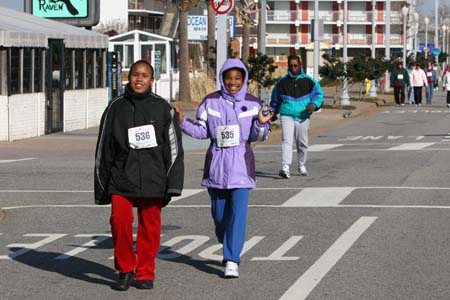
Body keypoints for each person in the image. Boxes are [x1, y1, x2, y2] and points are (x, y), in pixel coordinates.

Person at [175, 58, 271, 278]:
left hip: (241, 169)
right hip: (216, 168)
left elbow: (259, 136)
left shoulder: (253, 103)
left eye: (237, 78)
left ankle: (231, 259)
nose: (233, 82)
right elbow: (201, 131)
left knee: (238, 215)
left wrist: (262, 123)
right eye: (229, 78)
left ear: (244, 79)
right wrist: (182, 121)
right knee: (220, 217)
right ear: (222, 79)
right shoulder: (211, 102)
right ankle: (225, 237)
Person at [94, 60, 184, 291]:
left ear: (152, 80)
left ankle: (145, 272)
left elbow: (174, 149)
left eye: (144, 75)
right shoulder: (115, 107)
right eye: (135, 74)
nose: (139, 79)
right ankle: (125, 269)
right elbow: (104, 148)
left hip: (154, 178)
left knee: (149, 228)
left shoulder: (163, 108)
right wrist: (102, 184)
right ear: (128, 77)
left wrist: (172, 183)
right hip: (121, 178)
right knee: (120, 221)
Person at [270, 54, 324, 178]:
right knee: (286, 140)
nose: (293, 68)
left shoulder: (310, 81)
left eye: (295, 65)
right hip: (286, 115)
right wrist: (273, 112)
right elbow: (275, 100)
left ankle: (301, 164)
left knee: (302, 143)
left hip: (303, 115)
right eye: (290, 66)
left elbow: (319, 95)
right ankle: (285, 167)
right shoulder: (282, 83)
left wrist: (313, 105)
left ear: (300, 65)